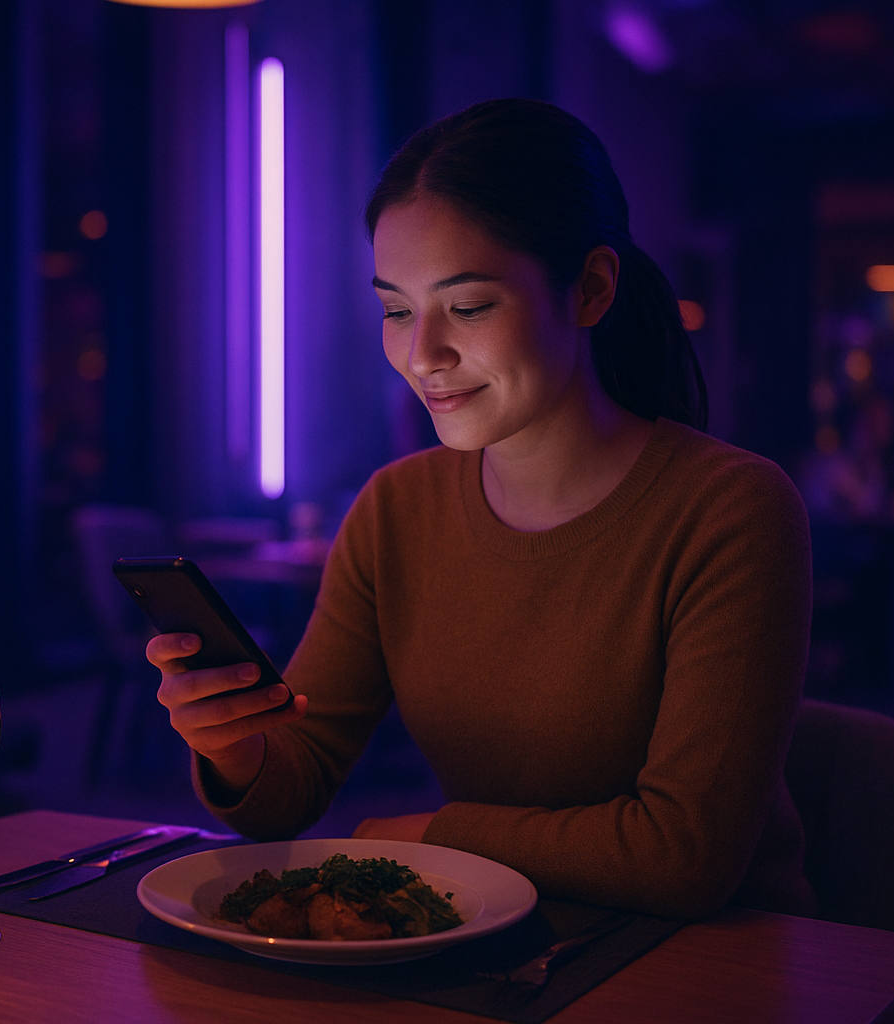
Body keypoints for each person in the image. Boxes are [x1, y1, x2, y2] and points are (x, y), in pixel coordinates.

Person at [147, 98, 814, 920]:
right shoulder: (397, 509)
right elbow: (298, 778)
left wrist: (436, 832)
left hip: (712, 962)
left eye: (467, 308)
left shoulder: (729, 511)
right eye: (396, 310)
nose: (421, 354)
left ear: (592, 290)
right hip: (502, 947)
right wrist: (235, 746)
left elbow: (683, 854)